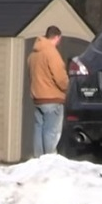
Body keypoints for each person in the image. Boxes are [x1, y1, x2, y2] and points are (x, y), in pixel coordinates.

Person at [28, 25, 69, 157]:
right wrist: (67, 87)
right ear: (57, 37)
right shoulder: (51, 53)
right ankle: (49, 161)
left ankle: (38, 159)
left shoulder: (33, 54)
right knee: (51, 132)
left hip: (38, 98)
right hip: (52, 99)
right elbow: (60, 77)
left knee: (39, 130)